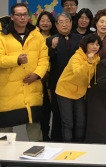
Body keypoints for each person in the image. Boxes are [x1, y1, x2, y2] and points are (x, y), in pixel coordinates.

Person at [0, 3, 49, 141]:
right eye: (19, 15)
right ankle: (4, 152)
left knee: (34, 123)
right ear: (12, 17)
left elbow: (44, 58)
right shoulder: (1, 36)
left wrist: (37, 74)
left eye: (25, 14)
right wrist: (16, 59)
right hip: (9, 89)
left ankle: (36, 150)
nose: (23, 18)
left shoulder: (36, 35)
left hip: (32, 86)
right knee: (6, 126)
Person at [55, 34, 100, 143]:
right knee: (68, 123)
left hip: (80, 92)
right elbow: (78, 73)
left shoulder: (96, 58)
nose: (95, 47)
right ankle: (69, 146)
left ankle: (79, 144)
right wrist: (88, 62)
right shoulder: (76, 57)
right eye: (92, 44)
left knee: (81, 122)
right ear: (85, 45)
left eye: (97, 44)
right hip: (65, 91)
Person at [46, 13, 82, 142]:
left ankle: (76, 140)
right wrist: (52, 48)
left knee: (77, 115)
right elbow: (45, 59)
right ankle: (57, 140)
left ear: (71, 23)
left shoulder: (80, 39)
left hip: (76, 82)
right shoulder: (50, 40)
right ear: (56, 25)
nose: (64, 24)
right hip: (57, 82)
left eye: (67, 21)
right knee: (58, 114)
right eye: (61, 22)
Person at [35, 11, 57, 140]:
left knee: (52, 107)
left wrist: (47, 71)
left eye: (48, 20)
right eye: (42, 20)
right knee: (42, 109)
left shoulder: (56, 37)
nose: (45, 23)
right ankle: (43, 135)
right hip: (38, 77)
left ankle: (53, 135)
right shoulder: (33, 36)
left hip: (52, 77)